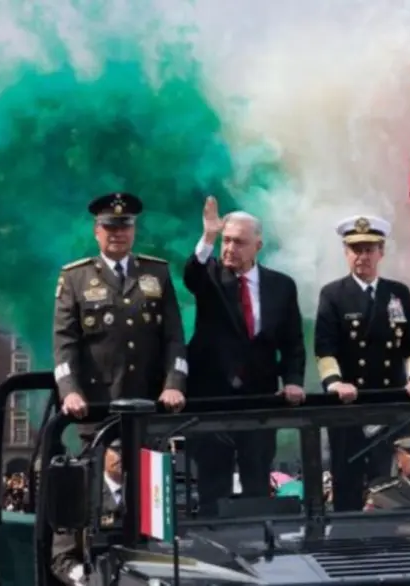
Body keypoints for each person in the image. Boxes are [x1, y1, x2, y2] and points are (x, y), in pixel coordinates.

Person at [183, 196, 306, 516]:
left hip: (260, 401)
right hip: (212, 400)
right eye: (226, 241)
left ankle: (260, 551)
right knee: (213, 483)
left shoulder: (281, 286)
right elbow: (191, 277)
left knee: (257, 482)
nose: (230, 249)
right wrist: (208, 236)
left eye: (239, 242)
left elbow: (292, 342)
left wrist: (293, 381)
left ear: (257, 246)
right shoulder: (211, 276)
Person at [314, 215, 410, 511]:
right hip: (347, 408)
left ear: (381, 252)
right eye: (355, 249)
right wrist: (335, 383)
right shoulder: (333, 295)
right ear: (346, 252)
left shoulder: (397, 293)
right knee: (346, 481)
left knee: (387, 482)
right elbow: (325, 350)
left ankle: (390, 541)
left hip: (390, 404)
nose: (362, 256)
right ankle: (346, 545)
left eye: (368, 249)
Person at [53, 192, 187, 434]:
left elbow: (174, 337)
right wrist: (70, 391)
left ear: (133, 231)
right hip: (97, 405)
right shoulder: (75, 278)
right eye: (110, 227)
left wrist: (174, 384)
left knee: (153, 471)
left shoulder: (157, 272)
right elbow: (64, 342)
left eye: (125, 226)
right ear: (97, 231)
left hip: (152, 403)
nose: (118, 234)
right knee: (102, 471)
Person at [51, 440, 124, 586]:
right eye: (116, 450)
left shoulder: (146, 492)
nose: (121, 456)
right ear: (102, 453)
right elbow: (62, 558)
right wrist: (86, 579)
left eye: (126, 450)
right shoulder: (82, 496)